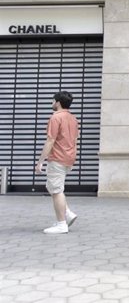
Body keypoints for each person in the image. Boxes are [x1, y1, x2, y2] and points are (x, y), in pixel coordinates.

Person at [34, 91, 80, 234]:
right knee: (53, 186)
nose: (52, 103)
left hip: (58, 158)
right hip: (68, 158)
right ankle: (67, 213)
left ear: (58, 103)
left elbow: (50, 140)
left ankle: (61, 224)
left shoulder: (55, 118)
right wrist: (73, 157)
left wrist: (40, 161)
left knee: (56, 190)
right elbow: (74, 140)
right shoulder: (73, 119)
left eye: (53, 101)